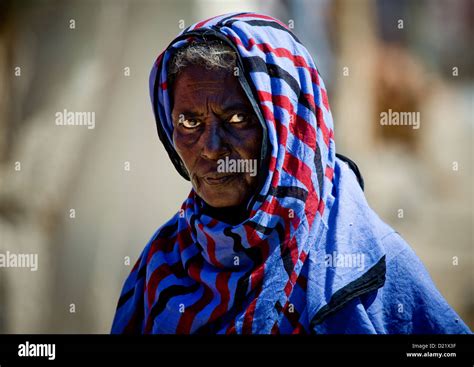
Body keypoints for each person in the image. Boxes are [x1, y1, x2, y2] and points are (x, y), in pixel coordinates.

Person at [111, 12, 471, 334]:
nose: (209, 146)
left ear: (288, 126)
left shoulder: (370, 266)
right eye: (189, 122)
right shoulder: (162, 265)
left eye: (238, 119)